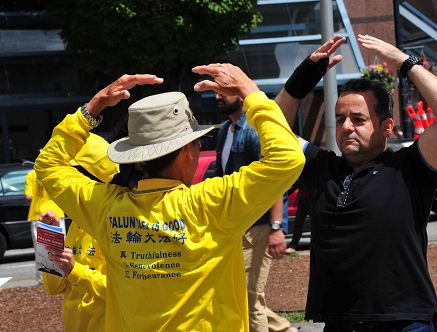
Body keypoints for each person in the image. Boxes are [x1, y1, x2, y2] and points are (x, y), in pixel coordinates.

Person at [35, 67, 304, 331]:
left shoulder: (106, 208)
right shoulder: (212, 204)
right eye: (199, 143)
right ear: (188, 150)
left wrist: (92, 108)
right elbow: (287, 158)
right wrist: (252, 94)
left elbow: (48, 165)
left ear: (137, 158)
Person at [275, 34, 437, 331]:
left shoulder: (409, 167)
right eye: (340, 119)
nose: (347, 127)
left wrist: (403, 62)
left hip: (405, 322)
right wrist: (305, 76)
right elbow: (272, 127)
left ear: (386, 127)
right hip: (341, 323)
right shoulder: (320, 166)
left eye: (358, 119)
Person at [214, 92, 295, 332]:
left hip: (259, 225)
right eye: (215, 92)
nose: (217, 96)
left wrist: (277, 228)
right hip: (238, 225)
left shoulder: (252, 131)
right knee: (244, 293)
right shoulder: (224, 131)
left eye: (224, 92)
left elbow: (276, 181)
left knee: (250, 296)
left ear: (240, 95)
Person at [41, 132, 119, 332]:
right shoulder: (77, 222)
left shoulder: (115, 224)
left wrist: (76, 271)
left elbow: (123, 290)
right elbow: (54, 288)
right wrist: (53, 240)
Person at [25, 166, 65, 283]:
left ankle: (42, 280)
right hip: (56, 213)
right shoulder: (56, 173)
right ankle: (62, 276)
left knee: (40, 249)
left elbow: (28, 196)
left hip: (39, 215)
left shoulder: (31, 175)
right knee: (60, 246)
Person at [284, 184, 310, 254]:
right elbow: (296, 184)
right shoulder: (302, 174)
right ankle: (293, 246)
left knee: (316, 224)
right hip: (303, 200)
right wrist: (284, 192)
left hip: (313, 200)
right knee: (298, 223)